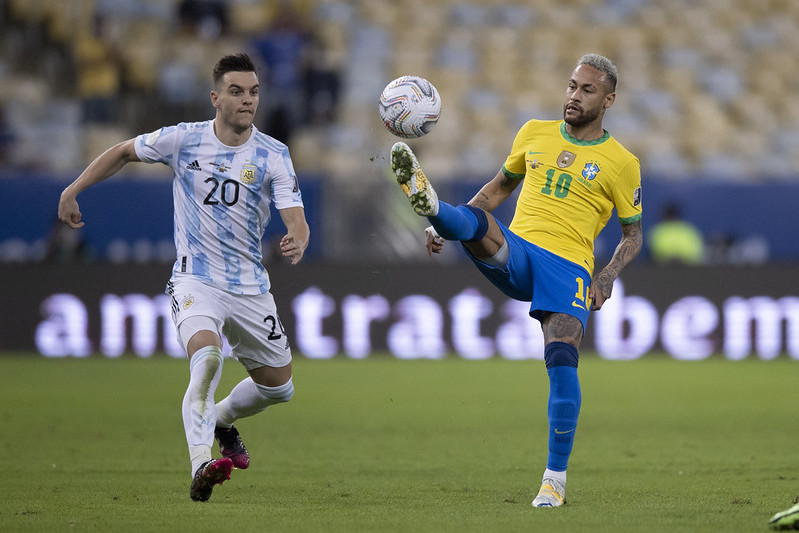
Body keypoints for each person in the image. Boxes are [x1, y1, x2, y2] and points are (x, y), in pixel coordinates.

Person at [389, 53, 642, 507]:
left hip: (570, 269)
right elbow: (496, 190)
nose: (573, 95)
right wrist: (442, 225)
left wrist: (606, 277)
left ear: (609, 100)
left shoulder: (622, 163)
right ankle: (433, 208)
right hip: (520, 251)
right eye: (571, 86)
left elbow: (633, 233)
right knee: (475, 221)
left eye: (586, 90)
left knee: (562, 359)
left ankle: (554, 481)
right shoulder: (533, 132)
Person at [58, 53, 309, 502]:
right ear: (215, 98)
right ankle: (201, 464)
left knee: (280, 388)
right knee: (208, 358)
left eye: (253, 92)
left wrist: (297, 235)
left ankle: (221, 420)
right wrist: (73, 189)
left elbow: (296, 217)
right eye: (236, 91)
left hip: (251, 287)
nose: (247, 100)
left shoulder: (274, 153)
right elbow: (121, 152)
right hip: (195, 281)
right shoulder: (183, 140)